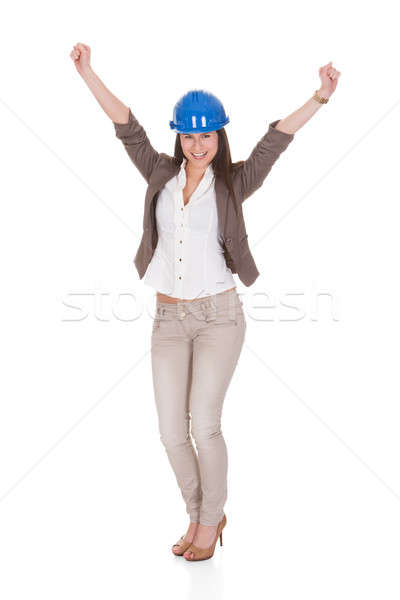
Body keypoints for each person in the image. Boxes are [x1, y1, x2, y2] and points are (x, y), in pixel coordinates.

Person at [70, 43, 341, 561]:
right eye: (189, 134)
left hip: (219, 318)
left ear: (220, 134)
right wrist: (88, 74)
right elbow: (128, 127)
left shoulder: (235, 183)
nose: (198, 144)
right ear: (180, 135)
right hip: (168, 319)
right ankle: (200, 514)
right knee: (172, 432)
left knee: (205, 422)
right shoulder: (159, 174)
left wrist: (320, 97)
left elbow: (274, 141)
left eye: (207, 134)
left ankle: (208, 520)